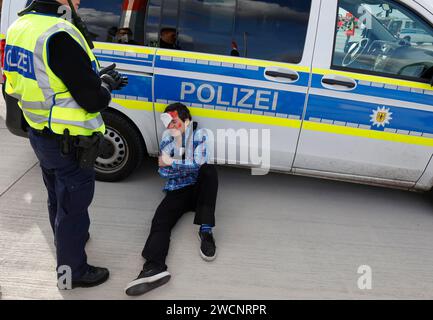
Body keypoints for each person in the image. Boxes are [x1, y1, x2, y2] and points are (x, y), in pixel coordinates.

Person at [3, 0, 127, 289]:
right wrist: (106, 84)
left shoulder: (19, 26)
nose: (81, 0)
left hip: (41, 133)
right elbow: (94, 100)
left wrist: (92, 78)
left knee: (57, 198)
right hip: (68, 140)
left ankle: (66, 241)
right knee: (73, 207)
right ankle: (71, 274)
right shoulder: (58, 34)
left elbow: (34, 81)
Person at [125, 103, 219, 296]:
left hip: (199, 190)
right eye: (168, 123)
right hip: (177, 189)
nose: (170, 127)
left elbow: (199, 163)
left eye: (174, 122)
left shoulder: (201, 135)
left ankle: (206, 231)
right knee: (159, 222)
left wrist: (174, 163)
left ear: (187, 120)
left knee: (209, 171)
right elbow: (162, 170)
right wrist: (181, 164)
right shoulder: (167, 138)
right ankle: (154, 267)